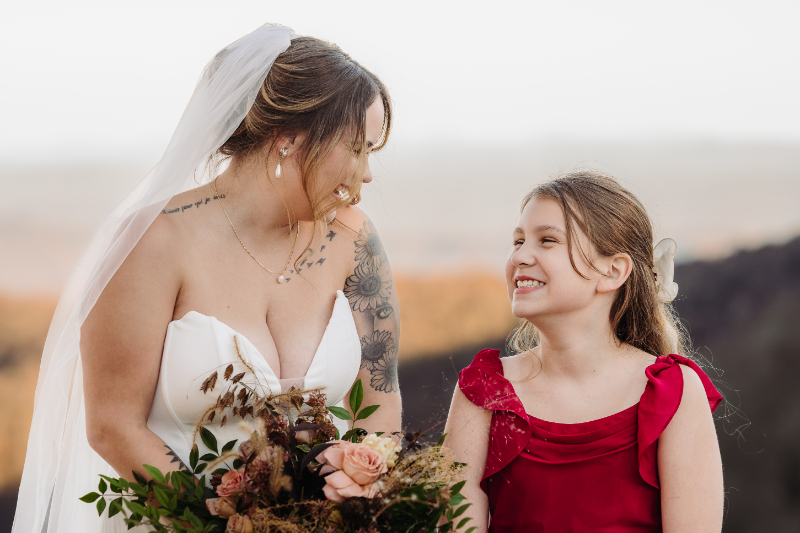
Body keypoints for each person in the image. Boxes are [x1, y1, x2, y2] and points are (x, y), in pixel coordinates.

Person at [14, 24, 401, 533]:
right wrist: (228, 523)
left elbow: (380, 397)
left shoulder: (355, 240)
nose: (365, 173)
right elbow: (113, 425)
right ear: (289, 138)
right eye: (355, 147)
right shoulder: (152, 241)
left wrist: (357, 501)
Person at [444, 171, 724, 532]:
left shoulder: (674, 392)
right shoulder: (483, 391)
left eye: (547, 240)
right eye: (517, 242)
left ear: (612, 271)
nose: (520, 256)